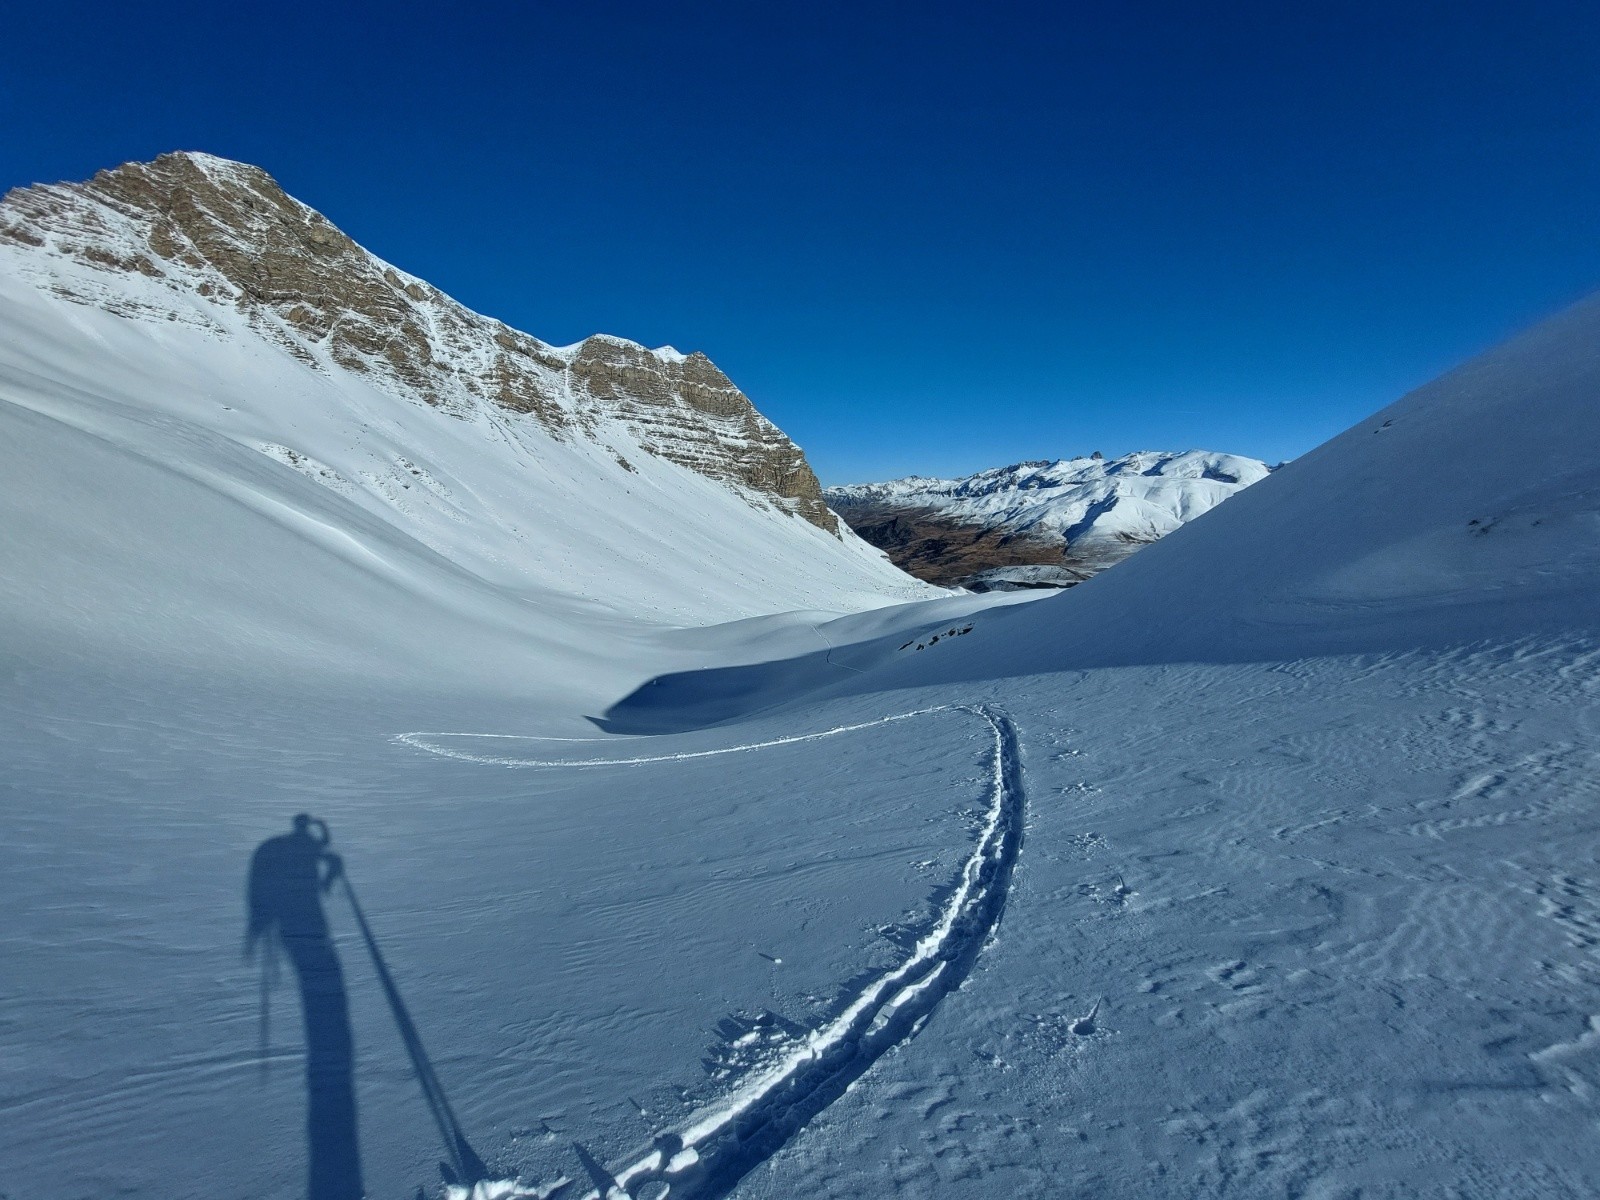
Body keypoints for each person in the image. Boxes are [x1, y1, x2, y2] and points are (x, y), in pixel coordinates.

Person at [247, 815, 363, 1200]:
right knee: (322, 969)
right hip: (307, 919)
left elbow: (259, 878)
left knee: (314, 968)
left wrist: (258, 922)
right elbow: (333, 860)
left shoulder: (278, 845)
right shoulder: (304, 845)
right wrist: (329, 880)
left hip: (292, 924)